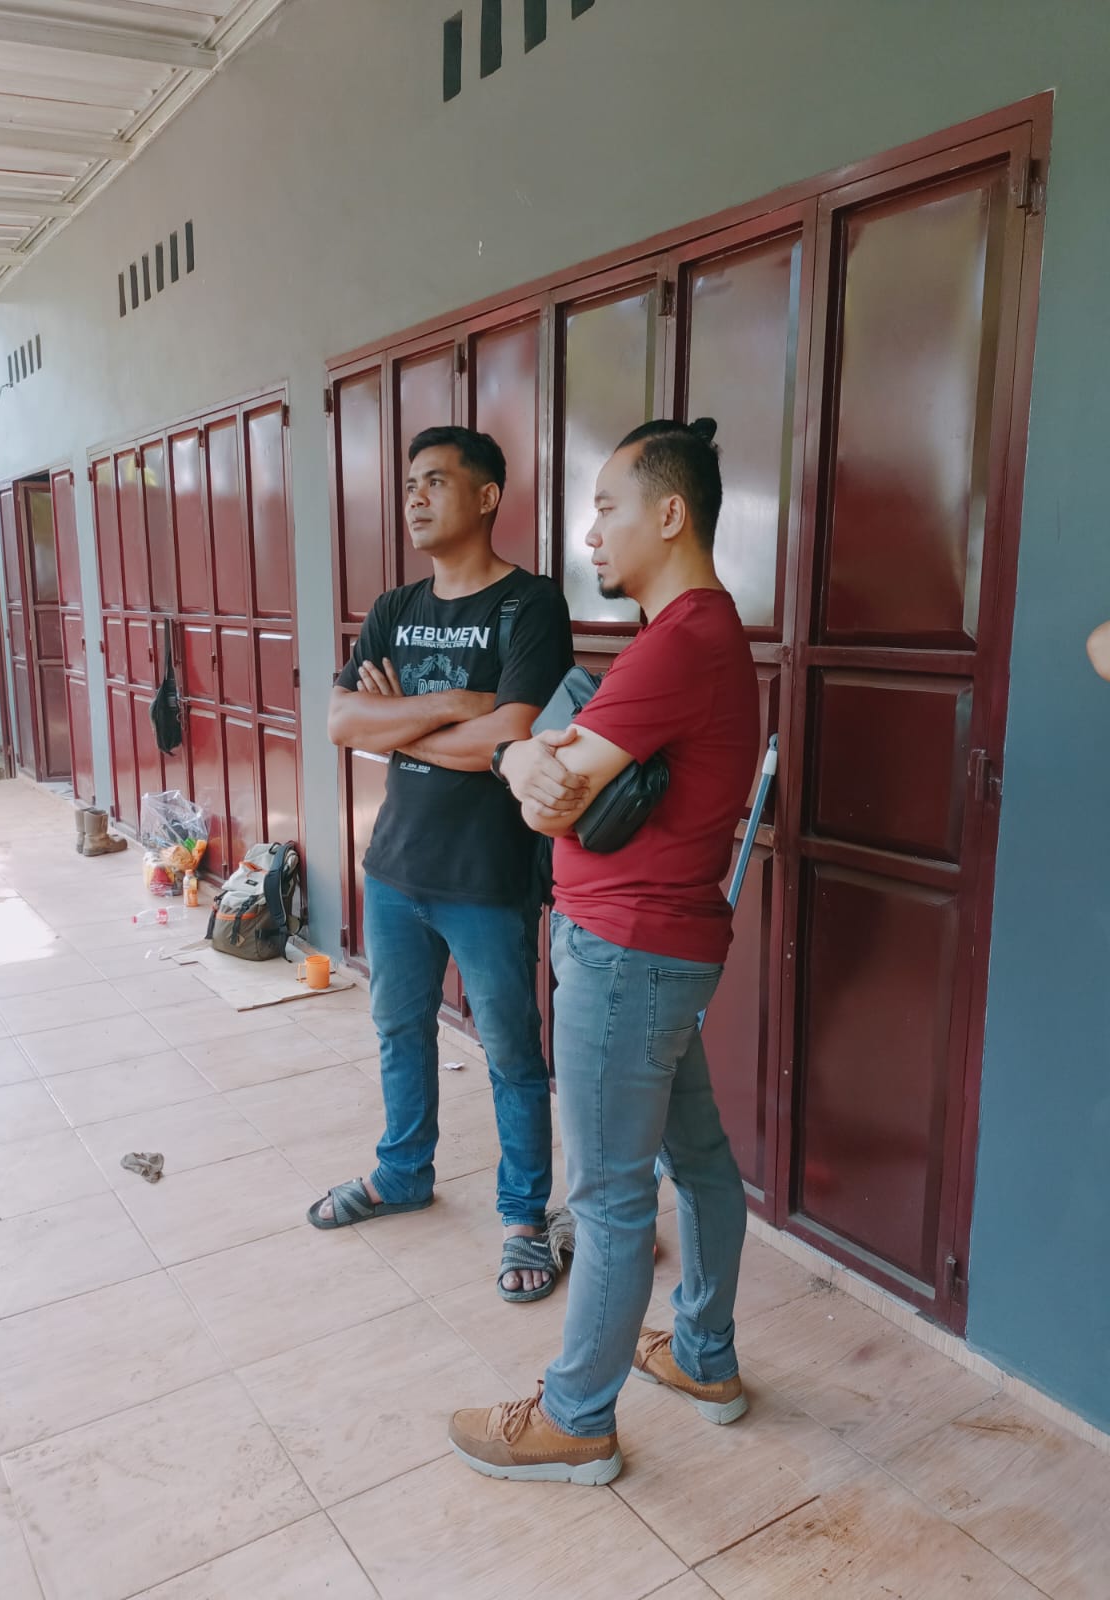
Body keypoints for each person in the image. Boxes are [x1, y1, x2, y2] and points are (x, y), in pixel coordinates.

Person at [448, 416, 760, 1482]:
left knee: (611, 1194)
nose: (590, 532)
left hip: (626, 953)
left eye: (607, 506)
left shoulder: (677, 643)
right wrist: (531, 754)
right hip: (664, 951)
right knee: (702, 1163)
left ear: (669, 515)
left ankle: (578, 1414)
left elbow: (549, 804)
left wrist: (522, 749)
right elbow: (548, 777)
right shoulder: (699, 634)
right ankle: (706, 1354)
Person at [310, 425, 574, 1302]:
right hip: (394, 867)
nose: (415, 498)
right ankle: (402, 1172)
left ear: (489, 496)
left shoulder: (530, 606)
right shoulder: (393, 608)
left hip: (487, 876)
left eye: (436, 482)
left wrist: (419, 719)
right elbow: (344, 724)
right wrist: (461, 703)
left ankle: (523, 1215)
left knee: (509, 1050)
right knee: (397, 1030)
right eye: (409, 484)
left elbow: (519, 734)